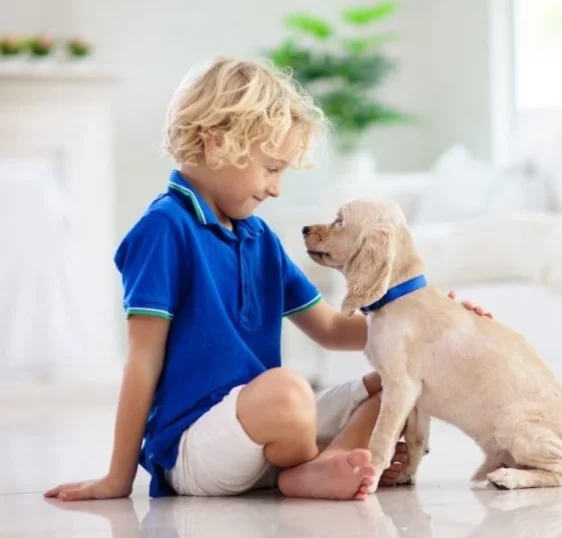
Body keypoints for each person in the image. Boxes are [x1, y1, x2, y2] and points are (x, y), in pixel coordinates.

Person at [44, 57, 491, 502]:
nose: (277, 188)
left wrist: (431, 325)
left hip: (266, 429)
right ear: (216, 143)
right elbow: (142, 360)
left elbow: (332, 330)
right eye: (271, 168)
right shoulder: (164, 229)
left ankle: (317, 466)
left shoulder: (259, 237)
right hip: (195, 447)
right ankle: (310, 468)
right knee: (289, 390)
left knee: (390, 384)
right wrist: (117, 479)